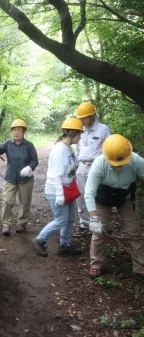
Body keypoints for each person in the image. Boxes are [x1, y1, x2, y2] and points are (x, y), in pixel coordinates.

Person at [84, 134, 144, 280]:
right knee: (99, 231)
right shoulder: (99, 164)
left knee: (134, 231)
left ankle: (140, 267)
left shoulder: (135, 160)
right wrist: (93, 218)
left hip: (126, 196)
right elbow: (89, 192)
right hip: (103, 197)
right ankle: (96, 264)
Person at [32, 118, 83, 257]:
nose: (80, 137)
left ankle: (65, 244)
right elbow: (56, 175)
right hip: (57, 190)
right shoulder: (60, 150)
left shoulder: (68, 148)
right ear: (71, 132)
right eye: (79, 134)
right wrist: (60, 195)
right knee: (61, 220)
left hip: (67, 189)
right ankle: (39, 240)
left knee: (71, 218)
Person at [0, 119, 38, 235]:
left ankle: (22, 222)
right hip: (10, 177)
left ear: (23, 132)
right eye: (14, 130)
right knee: (7, 200)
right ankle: (6, 224)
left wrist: (30, 168)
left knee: (25, 201)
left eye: (19, 130)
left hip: (25, 178)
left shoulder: (29, 145)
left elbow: (35, 160)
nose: (16, 133)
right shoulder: (8, 144)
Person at [73, 102, 112, 237]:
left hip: (98, 167)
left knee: (98, 196)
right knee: (81, 196)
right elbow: (78, 149)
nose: (81, 120)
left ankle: (100, 223)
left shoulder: (103, 129)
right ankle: (84, 224)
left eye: (84, 118)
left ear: (92, 116)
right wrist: (77, 165)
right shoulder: (80, 130)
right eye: (80, 118)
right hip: (82, 167)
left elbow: (109, 149)